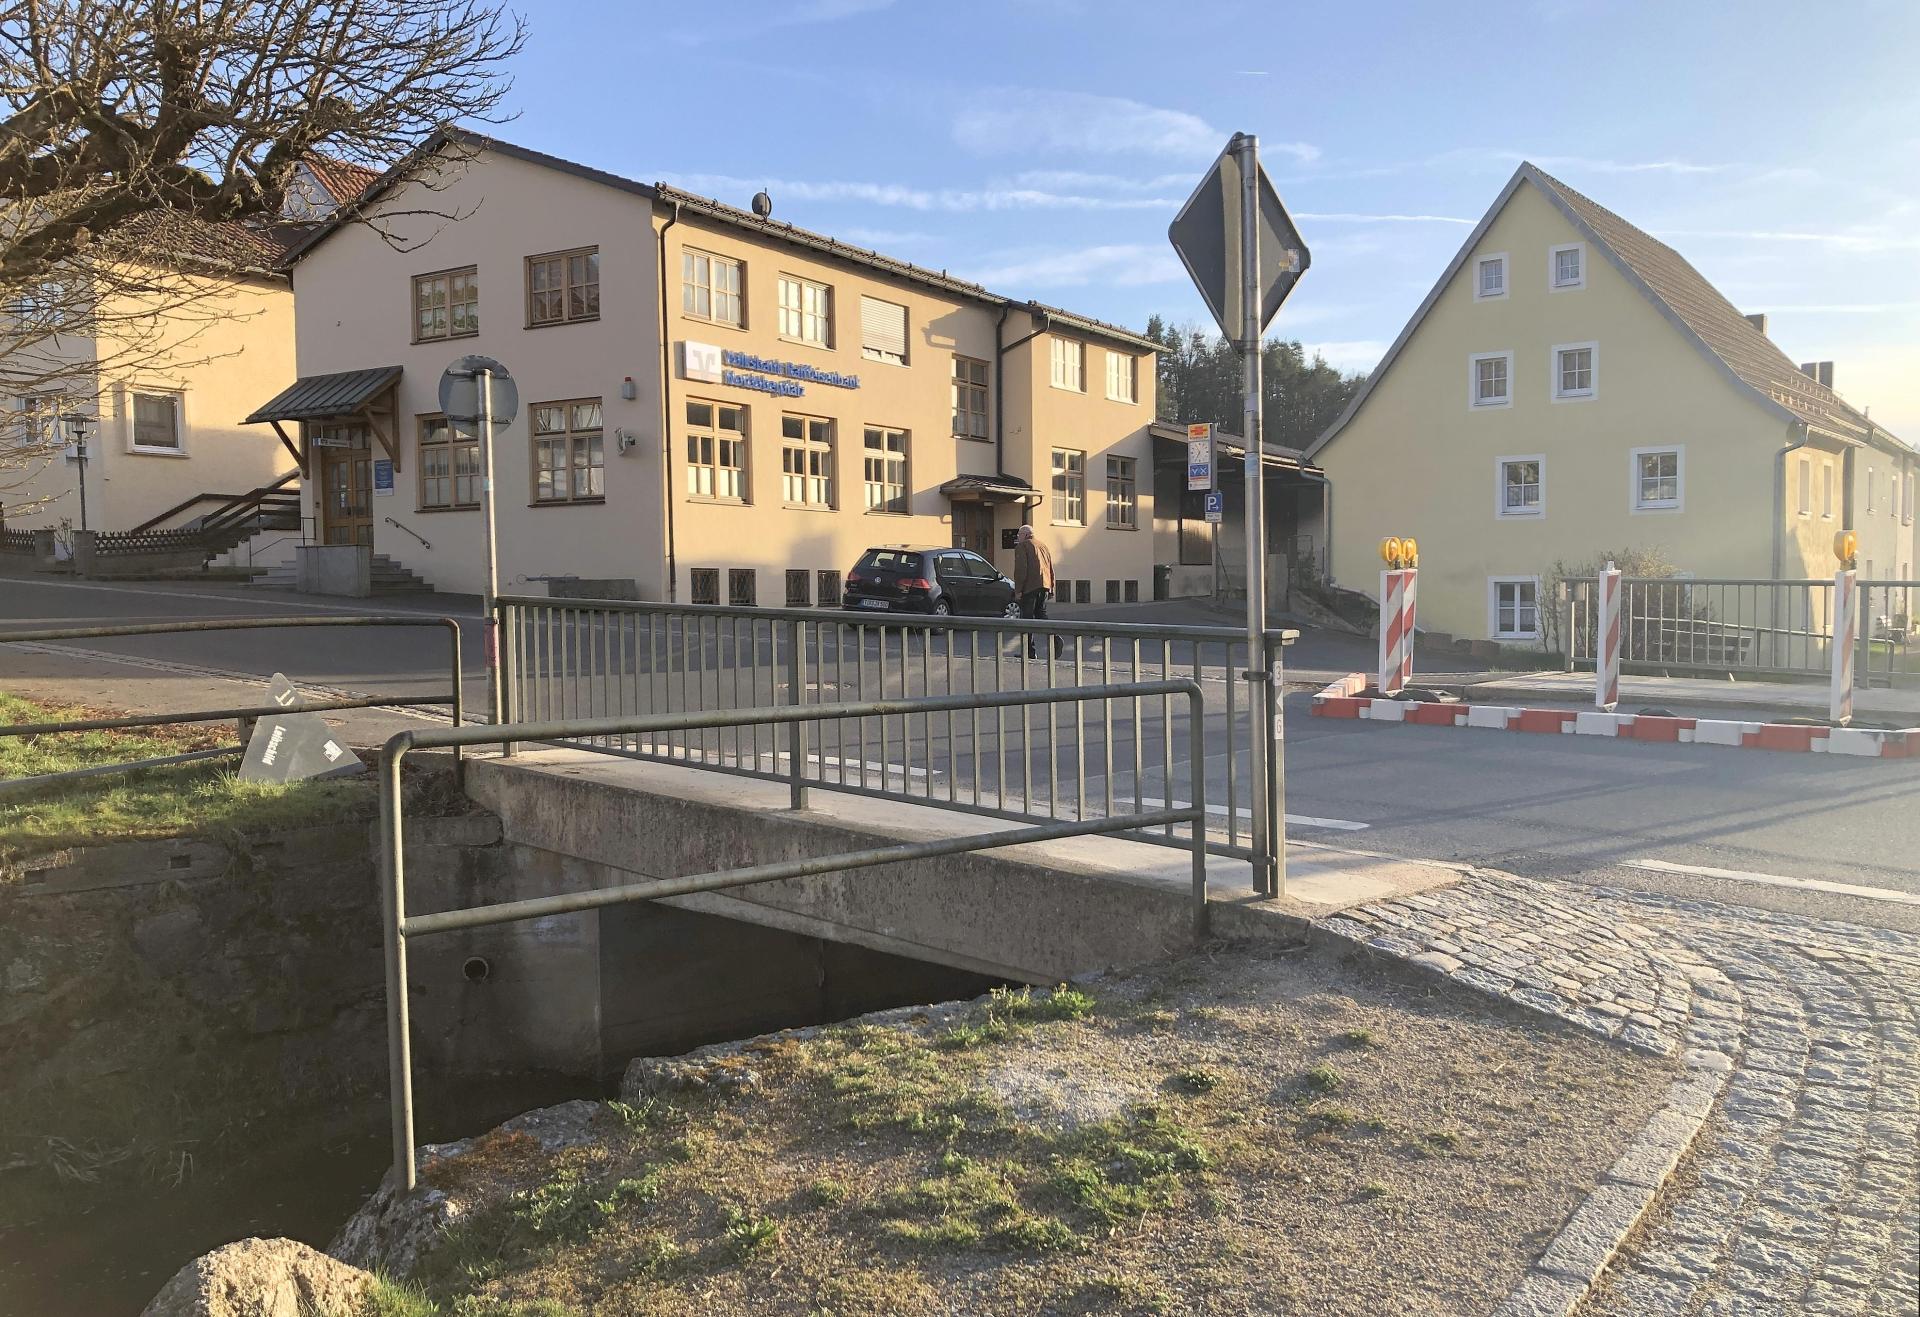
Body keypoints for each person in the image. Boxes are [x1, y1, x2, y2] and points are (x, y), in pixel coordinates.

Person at [1012, 524, 1064, 658]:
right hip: (1044, 585)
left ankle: (1029, 651)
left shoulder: (1022, 546)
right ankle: (1055, 638)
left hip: (1030, 587)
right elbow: (1050, 568)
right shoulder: (1043, 546)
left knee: (1026, 619)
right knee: (1041, 615)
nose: (1018, 537)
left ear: (1025, 535)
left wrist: (1018, 590)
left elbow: (1021, 569)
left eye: (1019, 535)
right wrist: (1051, 587)